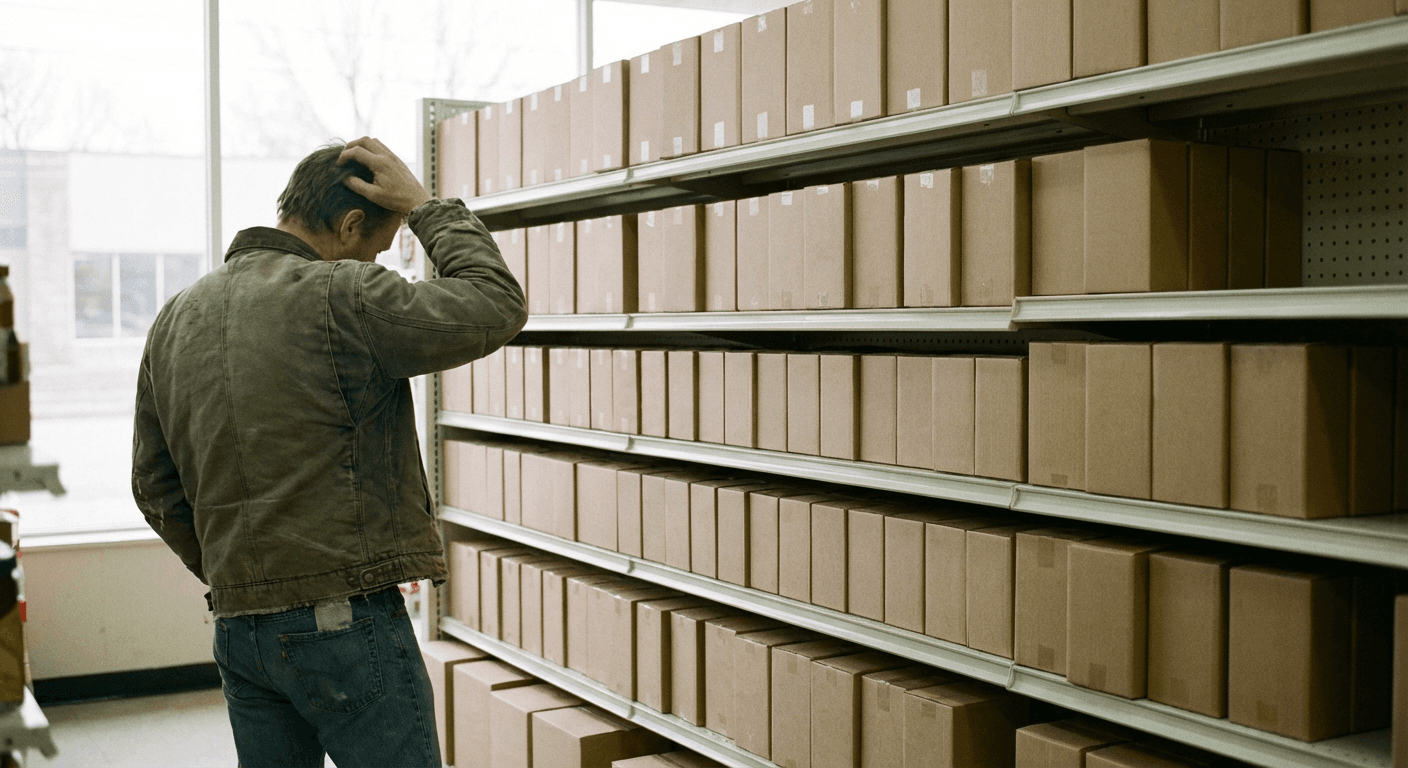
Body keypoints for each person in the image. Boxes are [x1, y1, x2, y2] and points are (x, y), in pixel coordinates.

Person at [131, 137, 526, 767]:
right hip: (345, 625)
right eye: (379, 243)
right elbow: (496, 305)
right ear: (348, 225)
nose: (378, 261)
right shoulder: (345, 295)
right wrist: (426, 207)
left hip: (240, 629)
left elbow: (152, 485)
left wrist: (235, 576)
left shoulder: (177, 316)